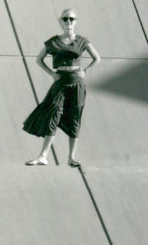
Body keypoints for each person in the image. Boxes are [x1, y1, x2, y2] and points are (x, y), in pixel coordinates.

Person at [23, 9, 100, 166]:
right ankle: (43, 156)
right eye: (65, 19)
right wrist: (51, 73)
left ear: (75, 21)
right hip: (60, 81)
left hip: (77, 82)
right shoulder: (54, 41)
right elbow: (39, 59)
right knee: (53, 114)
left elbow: (97, 58)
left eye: (71, 19)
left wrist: (85, 70)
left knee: (75, 116)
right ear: (61, 22)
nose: (68, 22)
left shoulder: (82, 41)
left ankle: (71, 158)